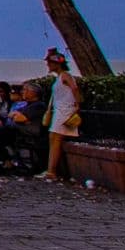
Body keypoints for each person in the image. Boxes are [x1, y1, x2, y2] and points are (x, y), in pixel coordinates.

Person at [39, 47, 82, 182]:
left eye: (50, 63)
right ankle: (50, 169)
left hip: (65, 111)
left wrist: (77, 104)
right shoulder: (60, 77)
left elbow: (74, 89)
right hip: (60, 110)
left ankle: (51, 171)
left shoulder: (65, 76)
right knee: (54, 139)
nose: (48, 65)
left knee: (55, 139)